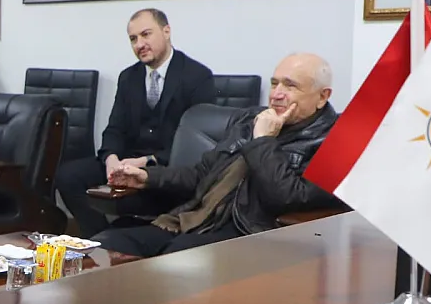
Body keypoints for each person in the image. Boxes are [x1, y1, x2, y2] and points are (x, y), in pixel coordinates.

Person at [95, 54, 340, 258]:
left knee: (174, 259)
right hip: (194, 221)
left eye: (290, 86)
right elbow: (201, 174)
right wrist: (148, 177)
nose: (276, 94)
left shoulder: (337, 142)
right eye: (274, 84)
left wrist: (263, 140)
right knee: (103, 245)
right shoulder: (249, 119)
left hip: (247, 234)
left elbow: (288, 197)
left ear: (323, 96)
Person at [55, 8, 216, 237]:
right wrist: (111, 159)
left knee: (147, 194)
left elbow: (196, 147)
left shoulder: (197, 76)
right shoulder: (128, 77)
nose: (139, 44)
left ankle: (120, 238)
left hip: (167, 168)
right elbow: (114, 129)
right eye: (133, 39)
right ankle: (99, 239)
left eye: (146, 34)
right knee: (68, 177)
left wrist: (147, 161)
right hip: (126, 161)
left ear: (166, 31)